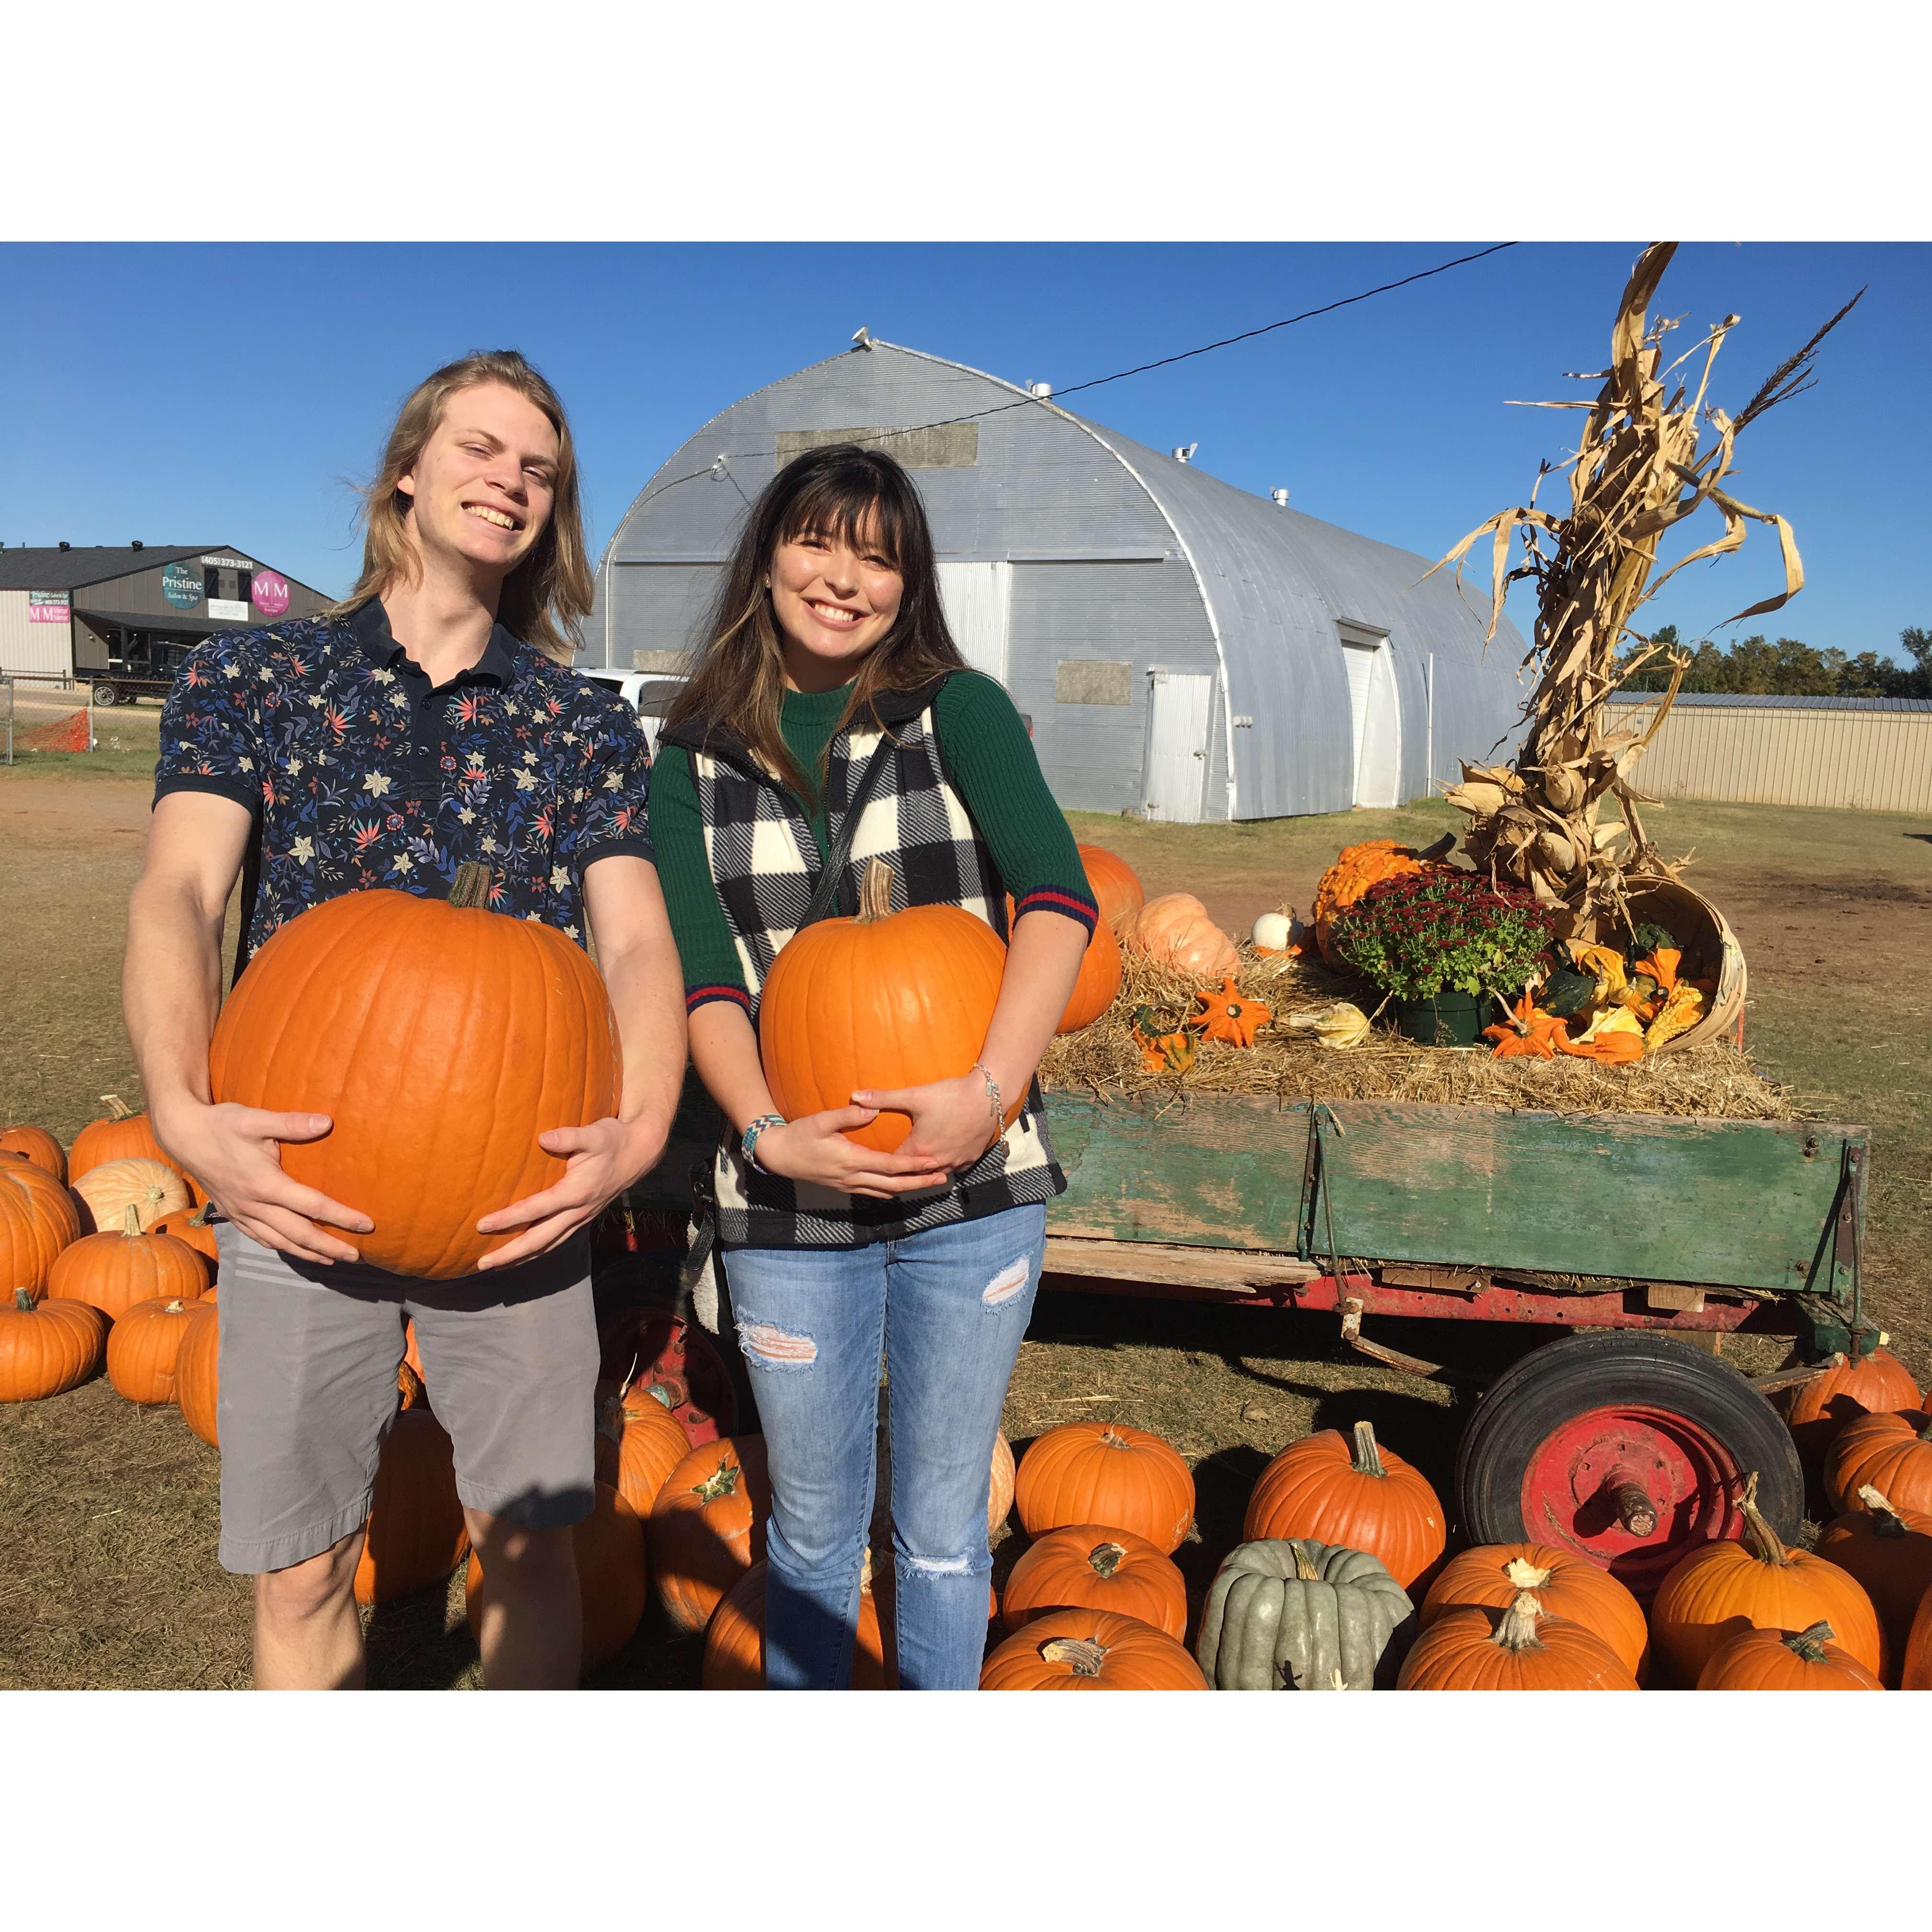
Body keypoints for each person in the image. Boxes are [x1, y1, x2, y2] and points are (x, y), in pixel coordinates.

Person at [125, 351, 686, 1689]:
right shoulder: (260, 680)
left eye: (539, 470)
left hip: (519, 1187)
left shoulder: (579, 725)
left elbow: (637, 937)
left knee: (530, 1548)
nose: (513, 482)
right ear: (408, 472)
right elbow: (180, 891)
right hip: (295, 1179)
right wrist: (182, 1114)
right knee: (306, 1564)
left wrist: (637, 1133)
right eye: (484, 450)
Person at [647, 444, 1095, 1689]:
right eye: (819, 542)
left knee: (944, 1534)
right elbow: (705, 978)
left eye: (879, 555)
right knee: (811, 1533)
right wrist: (762, 1132)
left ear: (911, 583)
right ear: (770, 554)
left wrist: (987, 1093)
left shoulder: (961, 715)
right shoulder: (690, 758)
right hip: (785, 1201)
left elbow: (1058, 900)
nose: (845, 577)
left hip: (973, 1194)